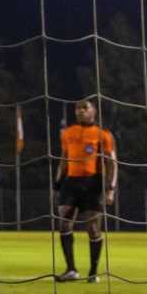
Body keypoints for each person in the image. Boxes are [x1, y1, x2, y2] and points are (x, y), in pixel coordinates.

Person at [53, 98, 117, 282]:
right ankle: (71, 269)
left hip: (92, 184)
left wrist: (110, 188)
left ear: (93, 111)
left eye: (84, 108)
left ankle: (93, 272)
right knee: (64, 222)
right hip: (71, 183)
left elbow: (111, 163)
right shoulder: (67, 133)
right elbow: (64, 159)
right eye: (77, 108)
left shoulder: (103, 135)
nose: (80, 111)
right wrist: (57, 184)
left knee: (93, 228)